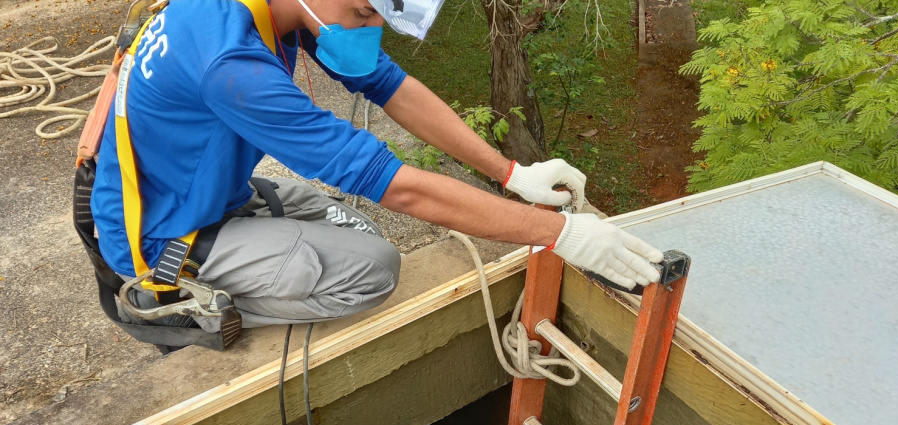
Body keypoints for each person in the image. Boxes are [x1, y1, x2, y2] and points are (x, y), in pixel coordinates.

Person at [90, 0, 663, 331]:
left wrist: (511, 175)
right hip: (160, 236)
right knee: (373, 268)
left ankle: (235, 241)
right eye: (364, 9)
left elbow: (390, 85)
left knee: (339, 223)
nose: (368, 27)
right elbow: (395, 188)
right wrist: (558, 233)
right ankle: (174, 307)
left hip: (199, 190)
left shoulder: (272, 10)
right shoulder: (229, 64)